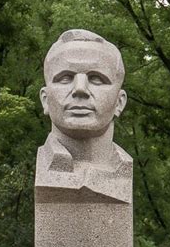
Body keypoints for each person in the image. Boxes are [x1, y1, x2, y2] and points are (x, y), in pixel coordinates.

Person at [36, 29, 132, 203]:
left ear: (119, 102)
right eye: (65, 78)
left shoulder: (124, 168)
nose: (80, 89)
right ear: (45, 100)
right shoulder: (44, 166)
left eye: (96, 78)